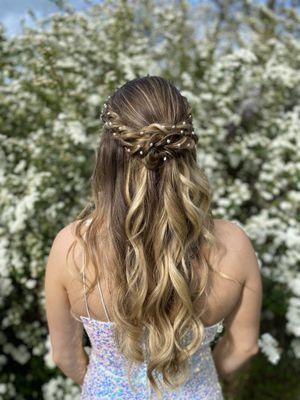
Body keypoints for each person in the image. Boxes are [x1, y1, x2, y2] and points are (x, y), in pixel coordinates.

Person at [44, 75, 262, 399]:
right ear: (187, 149)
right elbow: (244, 347)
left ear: (107, 153)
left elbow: (65, 356)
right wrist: (198, 378)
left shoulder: (71, 247)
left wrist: (108, 385)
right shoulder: (234, 245)